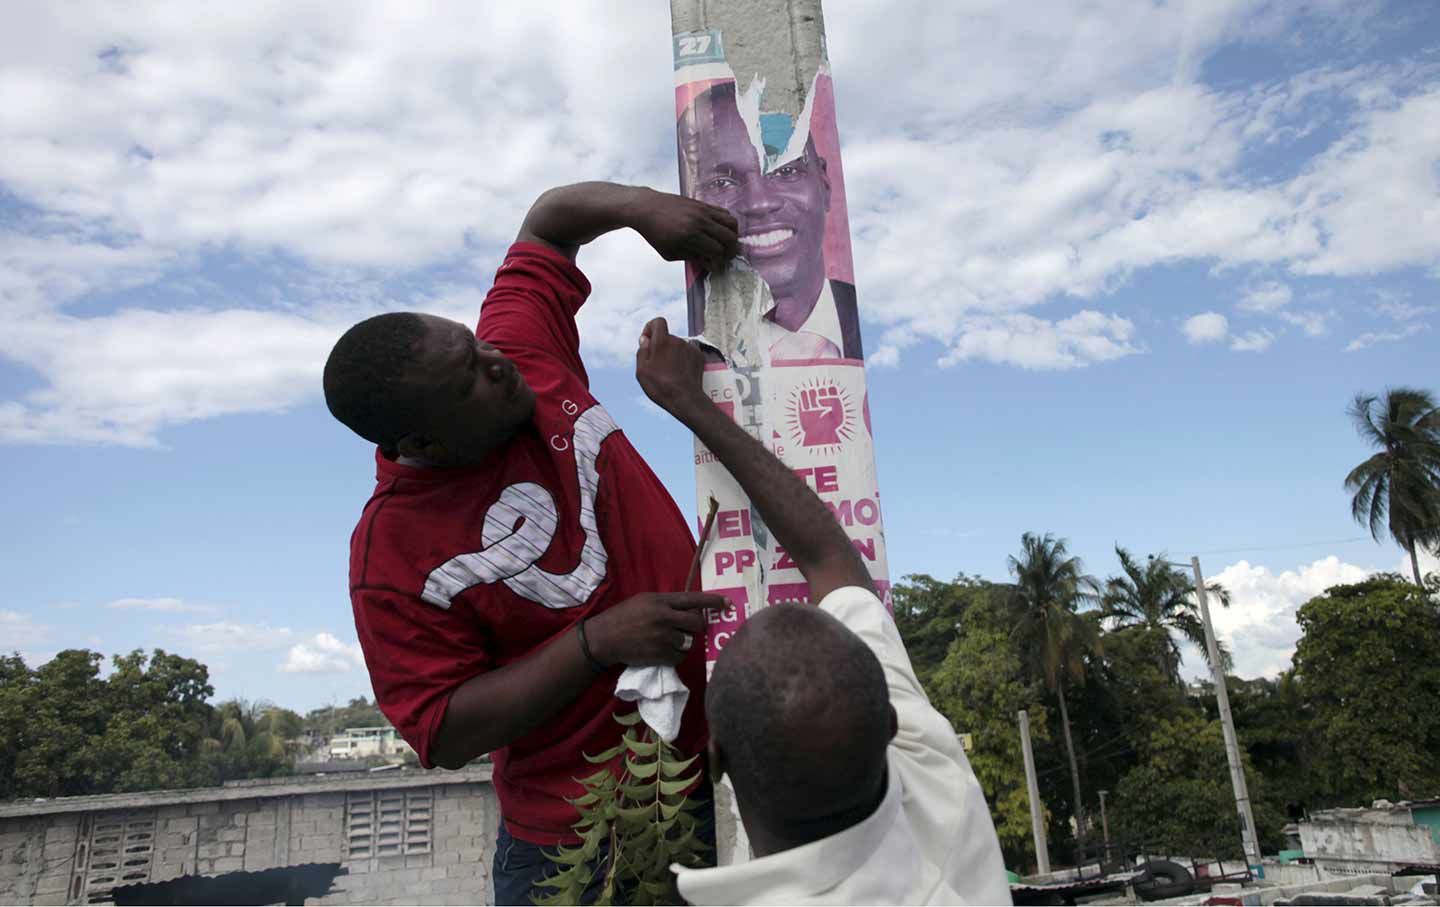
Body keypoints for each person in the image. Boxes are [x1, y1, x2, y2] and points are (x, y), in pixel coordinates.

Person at [321, 182, 739, 905]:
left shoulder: (522, 350)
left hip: (702, 785)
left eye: (476, 343)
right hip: (573, 848)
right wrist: (595, 642)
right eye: (470, 379)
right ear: (420, 441)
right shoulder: (390, 556)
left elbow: (549, 221)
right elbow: (443, 729)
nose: (497, 361)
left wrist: (645, 211)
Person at [634, 317, 1011, 905]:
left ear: (714, 762)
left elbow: (828, 558)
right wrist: (693, 405)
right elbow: (831, 556)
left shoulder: (936, 770)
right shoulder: (937, 784)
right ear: (890, 726)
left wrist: (687, 402)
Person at [678, 82, 864, 362]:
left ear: (824, 182)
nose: (760, 203)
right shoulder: (681, 356)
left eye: (785, 170)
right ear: (691, 199)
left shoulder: (880, 317)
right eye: (722, 182)